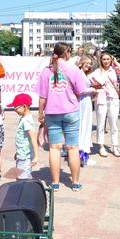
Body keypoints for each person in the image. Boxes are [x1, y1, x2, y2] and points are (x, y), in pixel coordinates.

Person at [37, 42, 87, 191]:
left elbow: (42, 97)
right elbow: (80, 91)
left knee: (54, 148)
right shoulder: (73, 69)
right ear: (67, 53)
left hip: (52, 113)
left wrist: (40, 113)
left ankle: (55, 183)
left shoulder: (46, 71)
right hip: (71, 111)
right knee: (72, 148)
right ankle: (75, 183)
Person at [91, 51, 120, 157]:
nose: (106, 61)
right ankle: (101, 146)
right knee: (100, 124)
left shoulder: (114, 70)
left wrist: (115, 61)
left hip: (113, 99)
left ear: (111, 59)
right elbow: (89, 80)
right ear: (100, 60)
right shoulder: (97, 71)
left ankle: (115, 146)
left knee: (113, 124)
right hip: (101, 99)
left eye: (108, 59)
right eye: (104, 59)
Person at [9, 93, 38, 180]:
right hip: (22, 154)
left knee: (22, 178)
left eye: (16, 107)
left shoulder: (26, 121)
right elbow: (23, 140)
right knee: (22, 176)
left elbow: (33, 138)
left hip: (25, 157)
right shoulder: (24, 118)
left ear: (24, 106)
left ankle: (25, 192)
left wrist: (36, 156)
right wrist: (18, 152)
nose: (14, 109)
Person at [77, 55, 98, 167]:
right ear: (82, 62)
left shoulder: (83, 74)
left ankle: (82, 154)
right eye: (87, 63)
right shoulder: (79, 74)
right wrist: (93, 89)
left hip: (86, 102)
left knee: (85, 126)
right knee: (84, 126)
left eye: (90, 64)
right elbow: (79, 90)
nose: (89, 65)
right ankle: (83, 155)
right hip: (83, 102)